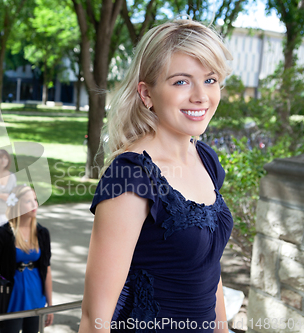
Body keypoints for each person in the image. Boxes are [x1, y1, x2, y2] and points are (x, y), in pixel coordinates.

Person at [78, 20, 234, 333]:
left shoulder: (206, 159)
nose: (201, 96)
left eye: (210, 79)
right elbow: (95, 319)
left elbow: (207, 268)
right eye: (181, 82)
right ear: (147, 93)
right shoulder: (131, 177)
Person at [0, 185, 54, 333]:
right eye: (28, 201)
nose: (34, 205)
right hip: (11, 298)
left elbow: (47, 271)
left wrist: (50, 305)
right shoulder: (2, 234)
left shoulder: (42, 233)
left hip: (35, 296)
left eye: (35, 200)